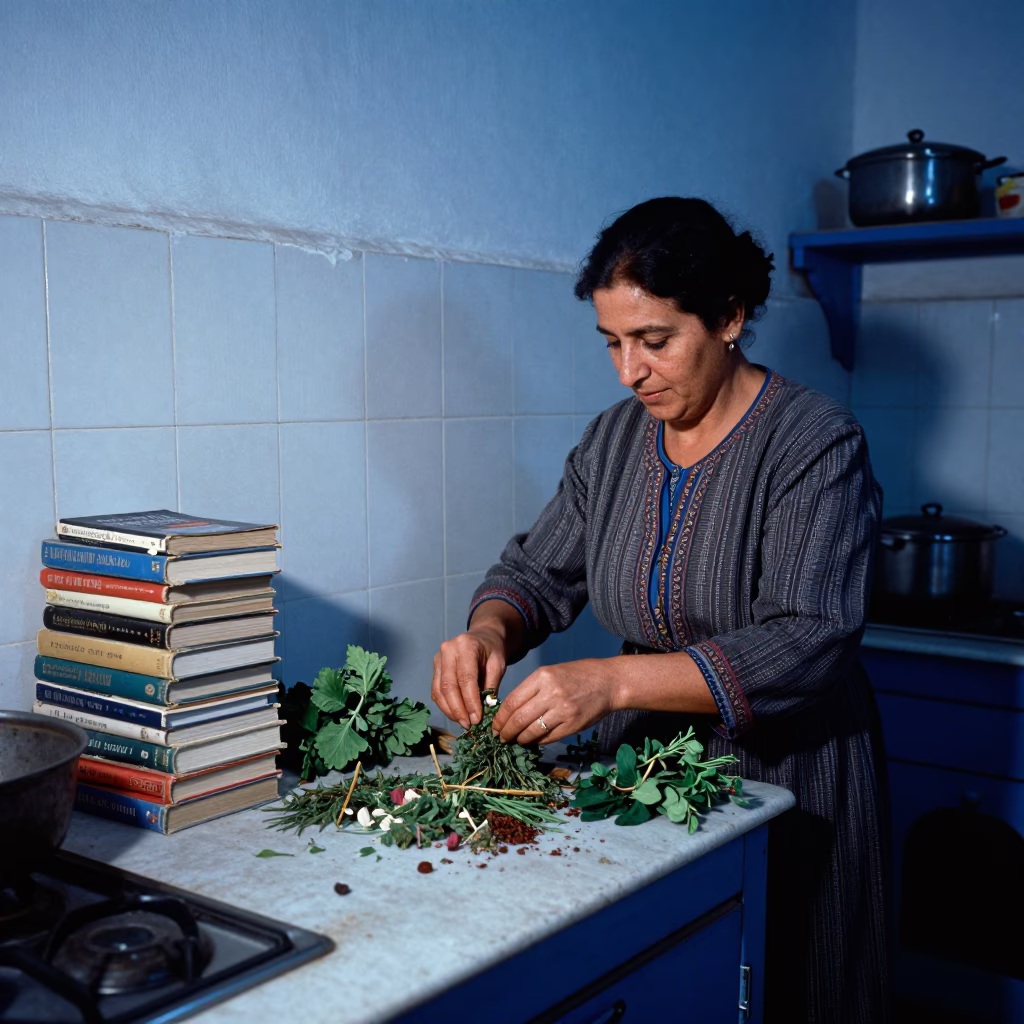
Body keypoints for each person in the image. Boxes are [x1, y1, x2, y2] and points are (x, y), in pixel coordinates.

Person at [431, 196, 891, 1023]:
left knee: (786, 984)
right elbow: (536, 573)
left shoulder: (815, 443)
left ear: (729, 318)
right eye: (612, 343)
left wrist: (611, 681)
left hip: (790, 775)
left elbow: (810, 640)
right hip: (641, 774)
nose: (628, 371)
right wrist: (486, 631)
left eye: (654, 341)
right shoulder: (613, 442)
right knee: (669, 979)